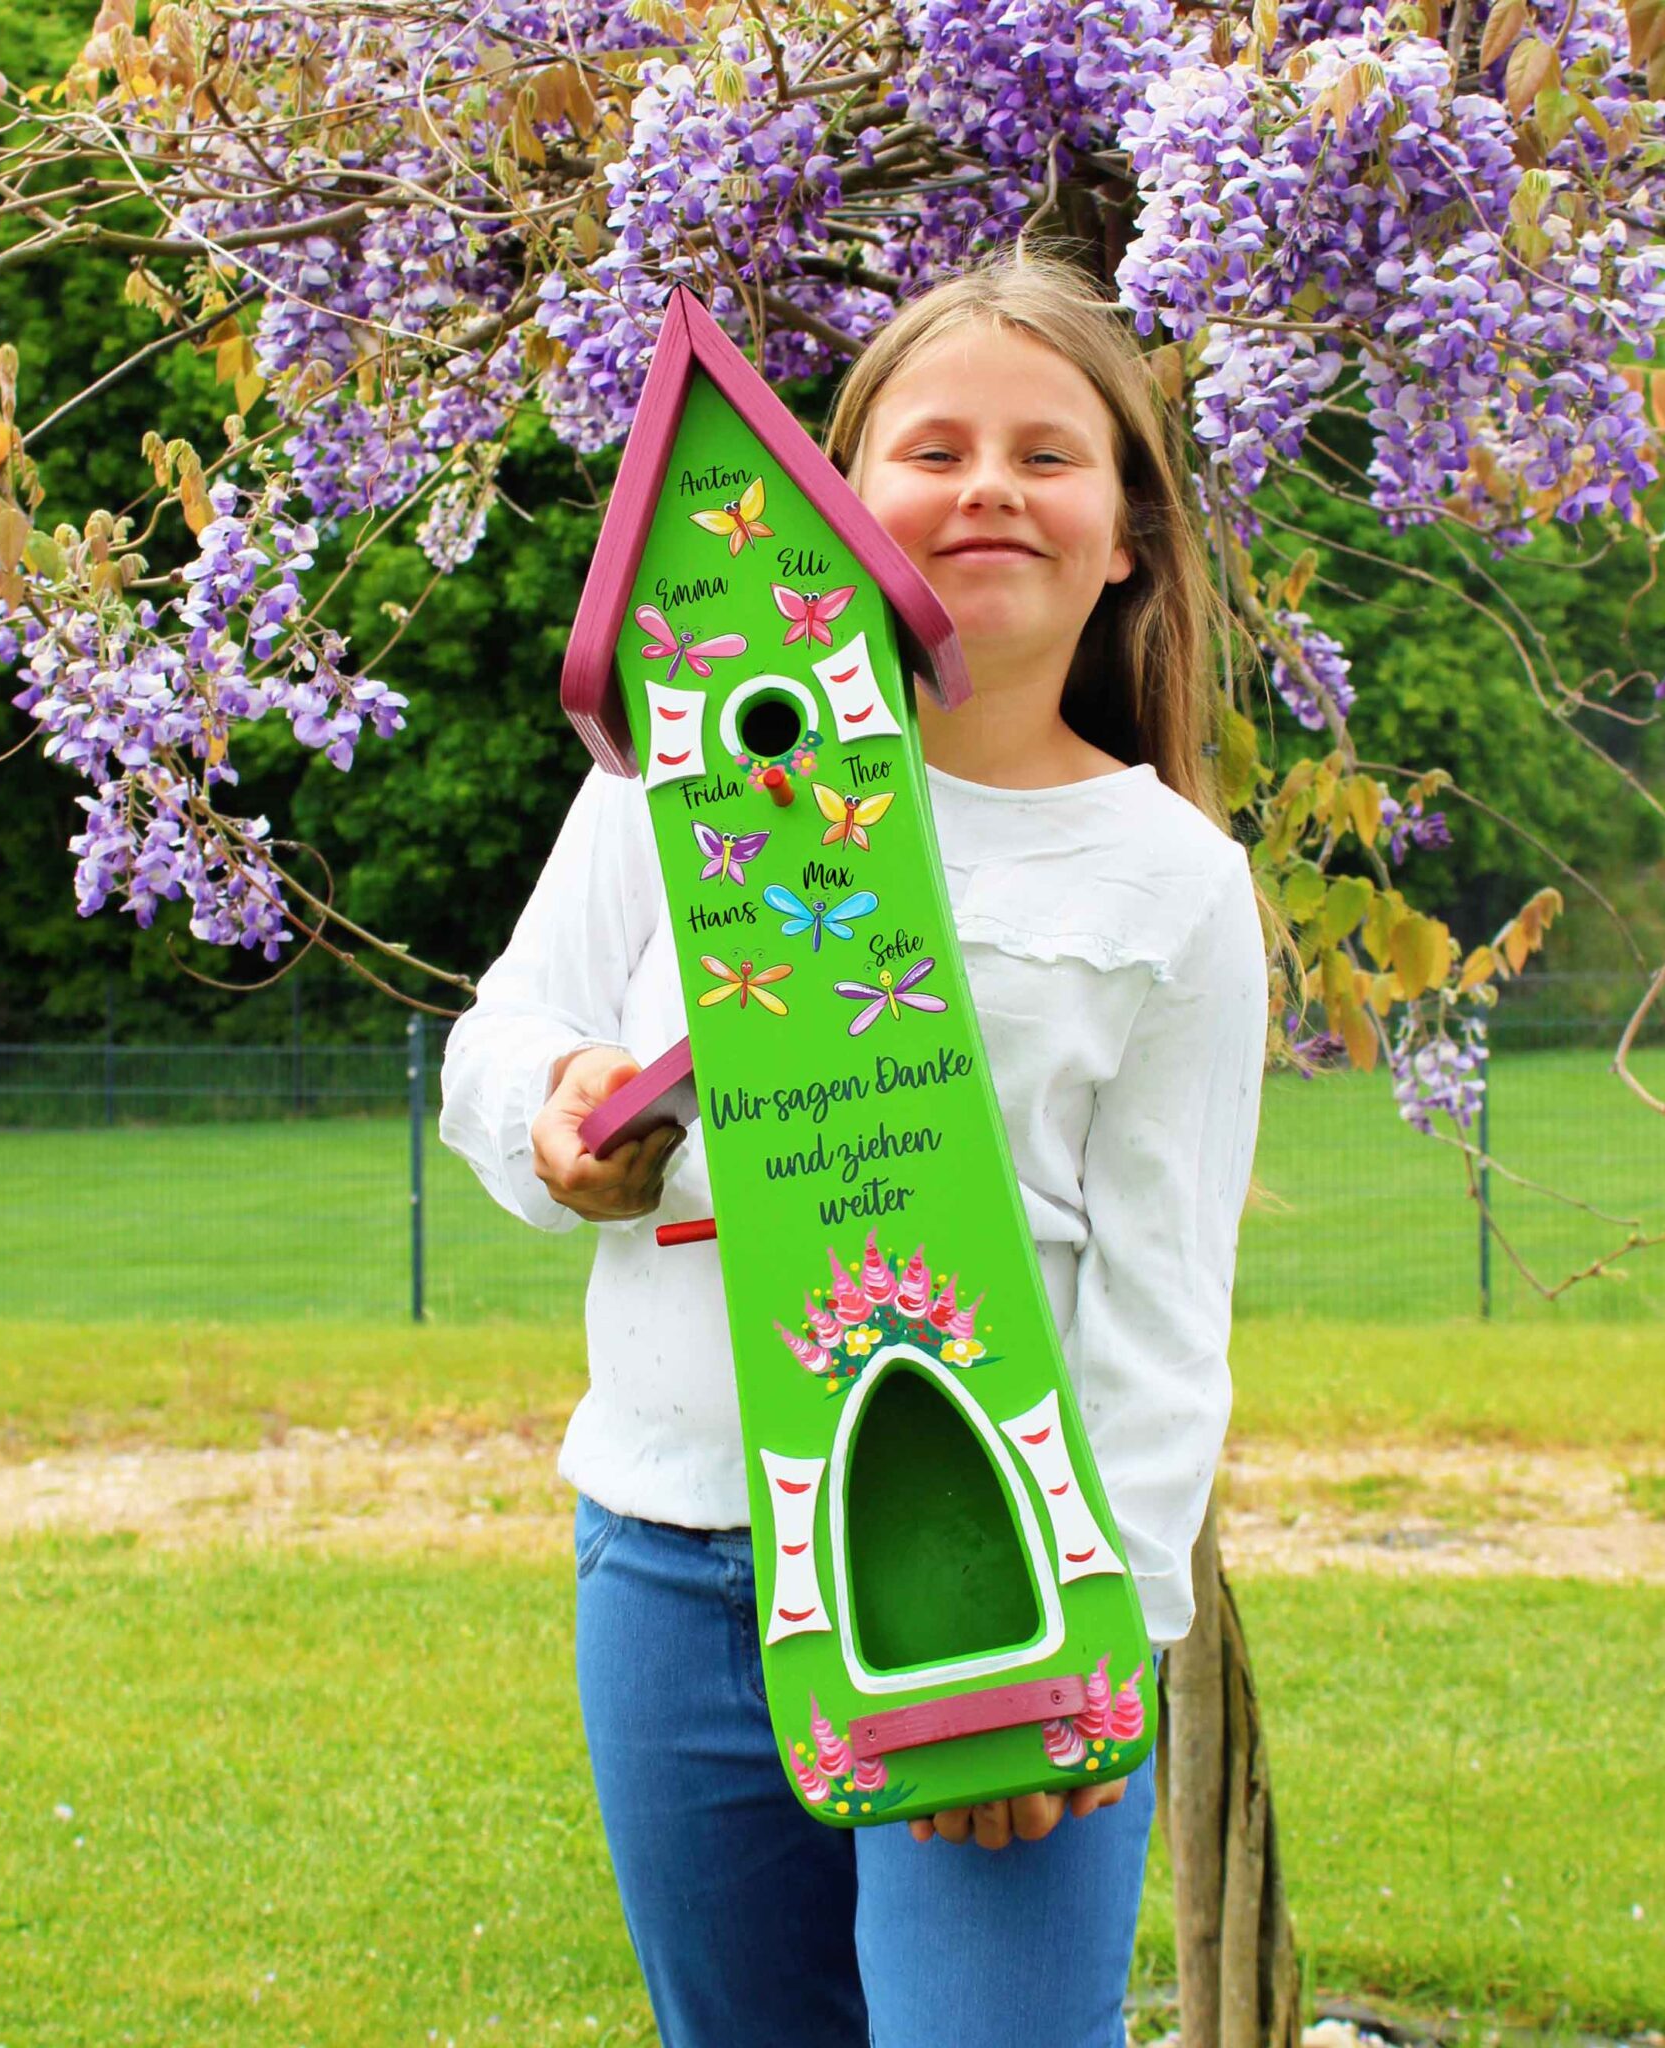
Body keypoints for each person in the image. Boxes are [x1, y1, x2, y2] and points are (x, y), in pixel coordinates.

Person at [439, 251, 1271, 2048]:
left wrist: (1070, 1650)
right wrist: (556, 1115)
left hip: (990, 1576)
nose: (988, 485)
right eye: (935, 447)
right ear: (844, 499)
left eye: (1050, 456)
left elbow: (1161, 1313)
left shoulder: (1176, 886)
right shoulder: (671, 772)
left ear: (1126, 535)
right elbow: (500, 1046)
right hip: (675, 1555)